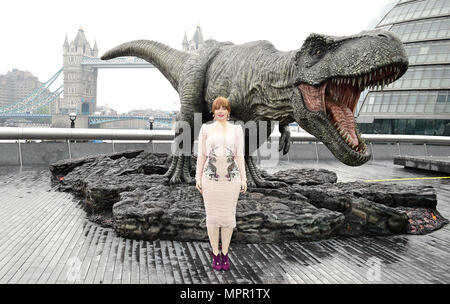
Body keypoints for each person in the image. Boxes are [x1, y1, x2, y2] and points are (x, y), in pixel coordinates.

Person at [195, 96, 247, 271]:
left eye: (224, 108)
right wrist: (197, 178)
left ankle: (225, 253)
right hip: (210, 179)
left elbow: (240, 155)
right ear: (213, 111)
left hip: (232, 180)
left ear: (228, 111)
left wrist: (244, 179)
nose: (221, 111)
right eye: (218, 108)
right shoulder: (205, 129)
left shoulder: (237, 130)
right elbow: (202, 155)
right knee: (213, 217)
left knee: (227, 218)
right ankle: (215, 253)